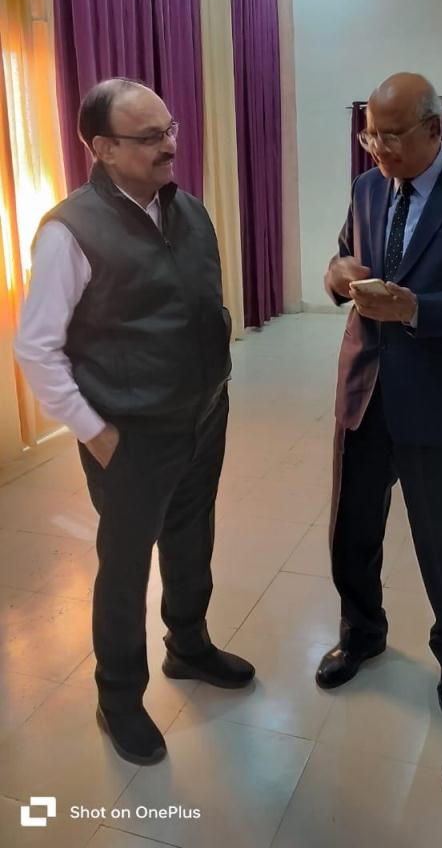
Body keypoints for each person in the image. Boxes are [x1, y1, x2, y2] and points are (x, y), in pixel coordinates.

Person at [14, 78, 255, 766]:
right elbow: (35, 347)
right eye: (150, 137)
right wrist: (94, 431)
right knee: (124, 566)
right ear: (103, 148)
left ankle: (189, 646)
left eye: (169, 128)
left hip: (202, 415)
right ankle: (118, 697)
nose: (170, 145)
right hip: (131, 435)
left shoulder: (189, 210)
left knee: (191, 538)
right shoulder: (70, 231)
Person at [316, 73, 442, 718]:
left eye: (393, 135)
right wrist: (337, 274)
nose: (379, 148)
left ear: (434, 127)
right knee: (352, 530)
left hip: (436, 396)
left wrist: (414, 308)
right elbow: (343, 256)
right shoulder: (367, 186)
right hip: (363, 391)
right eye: (371, 135)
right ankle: (361, 634)